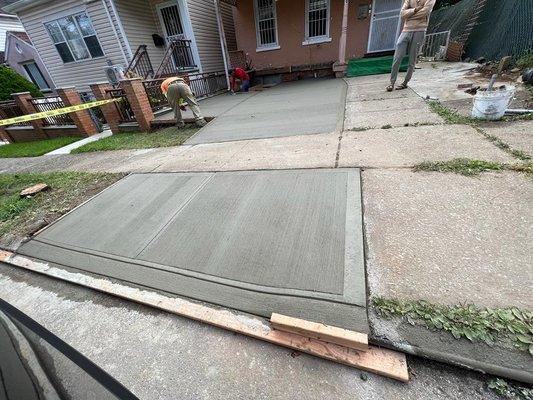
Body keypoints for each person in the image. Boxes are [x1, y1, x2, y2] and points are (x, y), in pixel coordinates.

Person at [386, 0, 436, 92]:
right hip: (406, 30)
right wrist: (415, 9)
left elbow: (425, 12)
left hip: (420, 30)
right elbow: (402, 14)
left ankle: (405, 83)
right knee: (397, 57)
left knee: (412, 59)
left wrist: (409, 16)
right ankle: (391, 83)